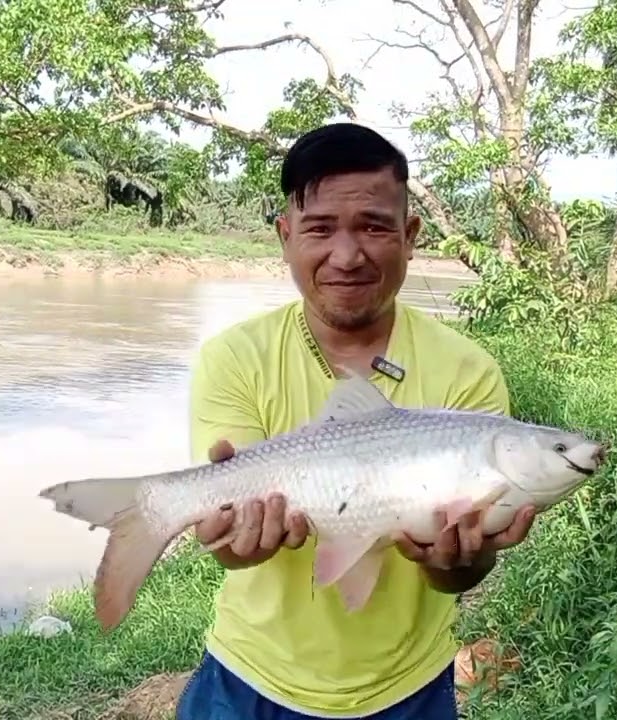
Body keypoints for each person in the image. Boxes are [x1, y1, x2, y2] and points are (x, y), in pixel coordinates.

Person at [175, 122, 537, 719]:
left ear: (410, 235)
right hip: (250, 679)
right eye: (320, 229)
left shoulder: (467, 371)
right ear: (285, 236)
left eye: (373, 226)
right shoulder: (234, 358)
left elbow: (460, 575)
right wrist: (233, 539)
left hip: (408, 688)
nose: (347, 256)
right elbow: (229, 549)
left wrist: (462, 560)